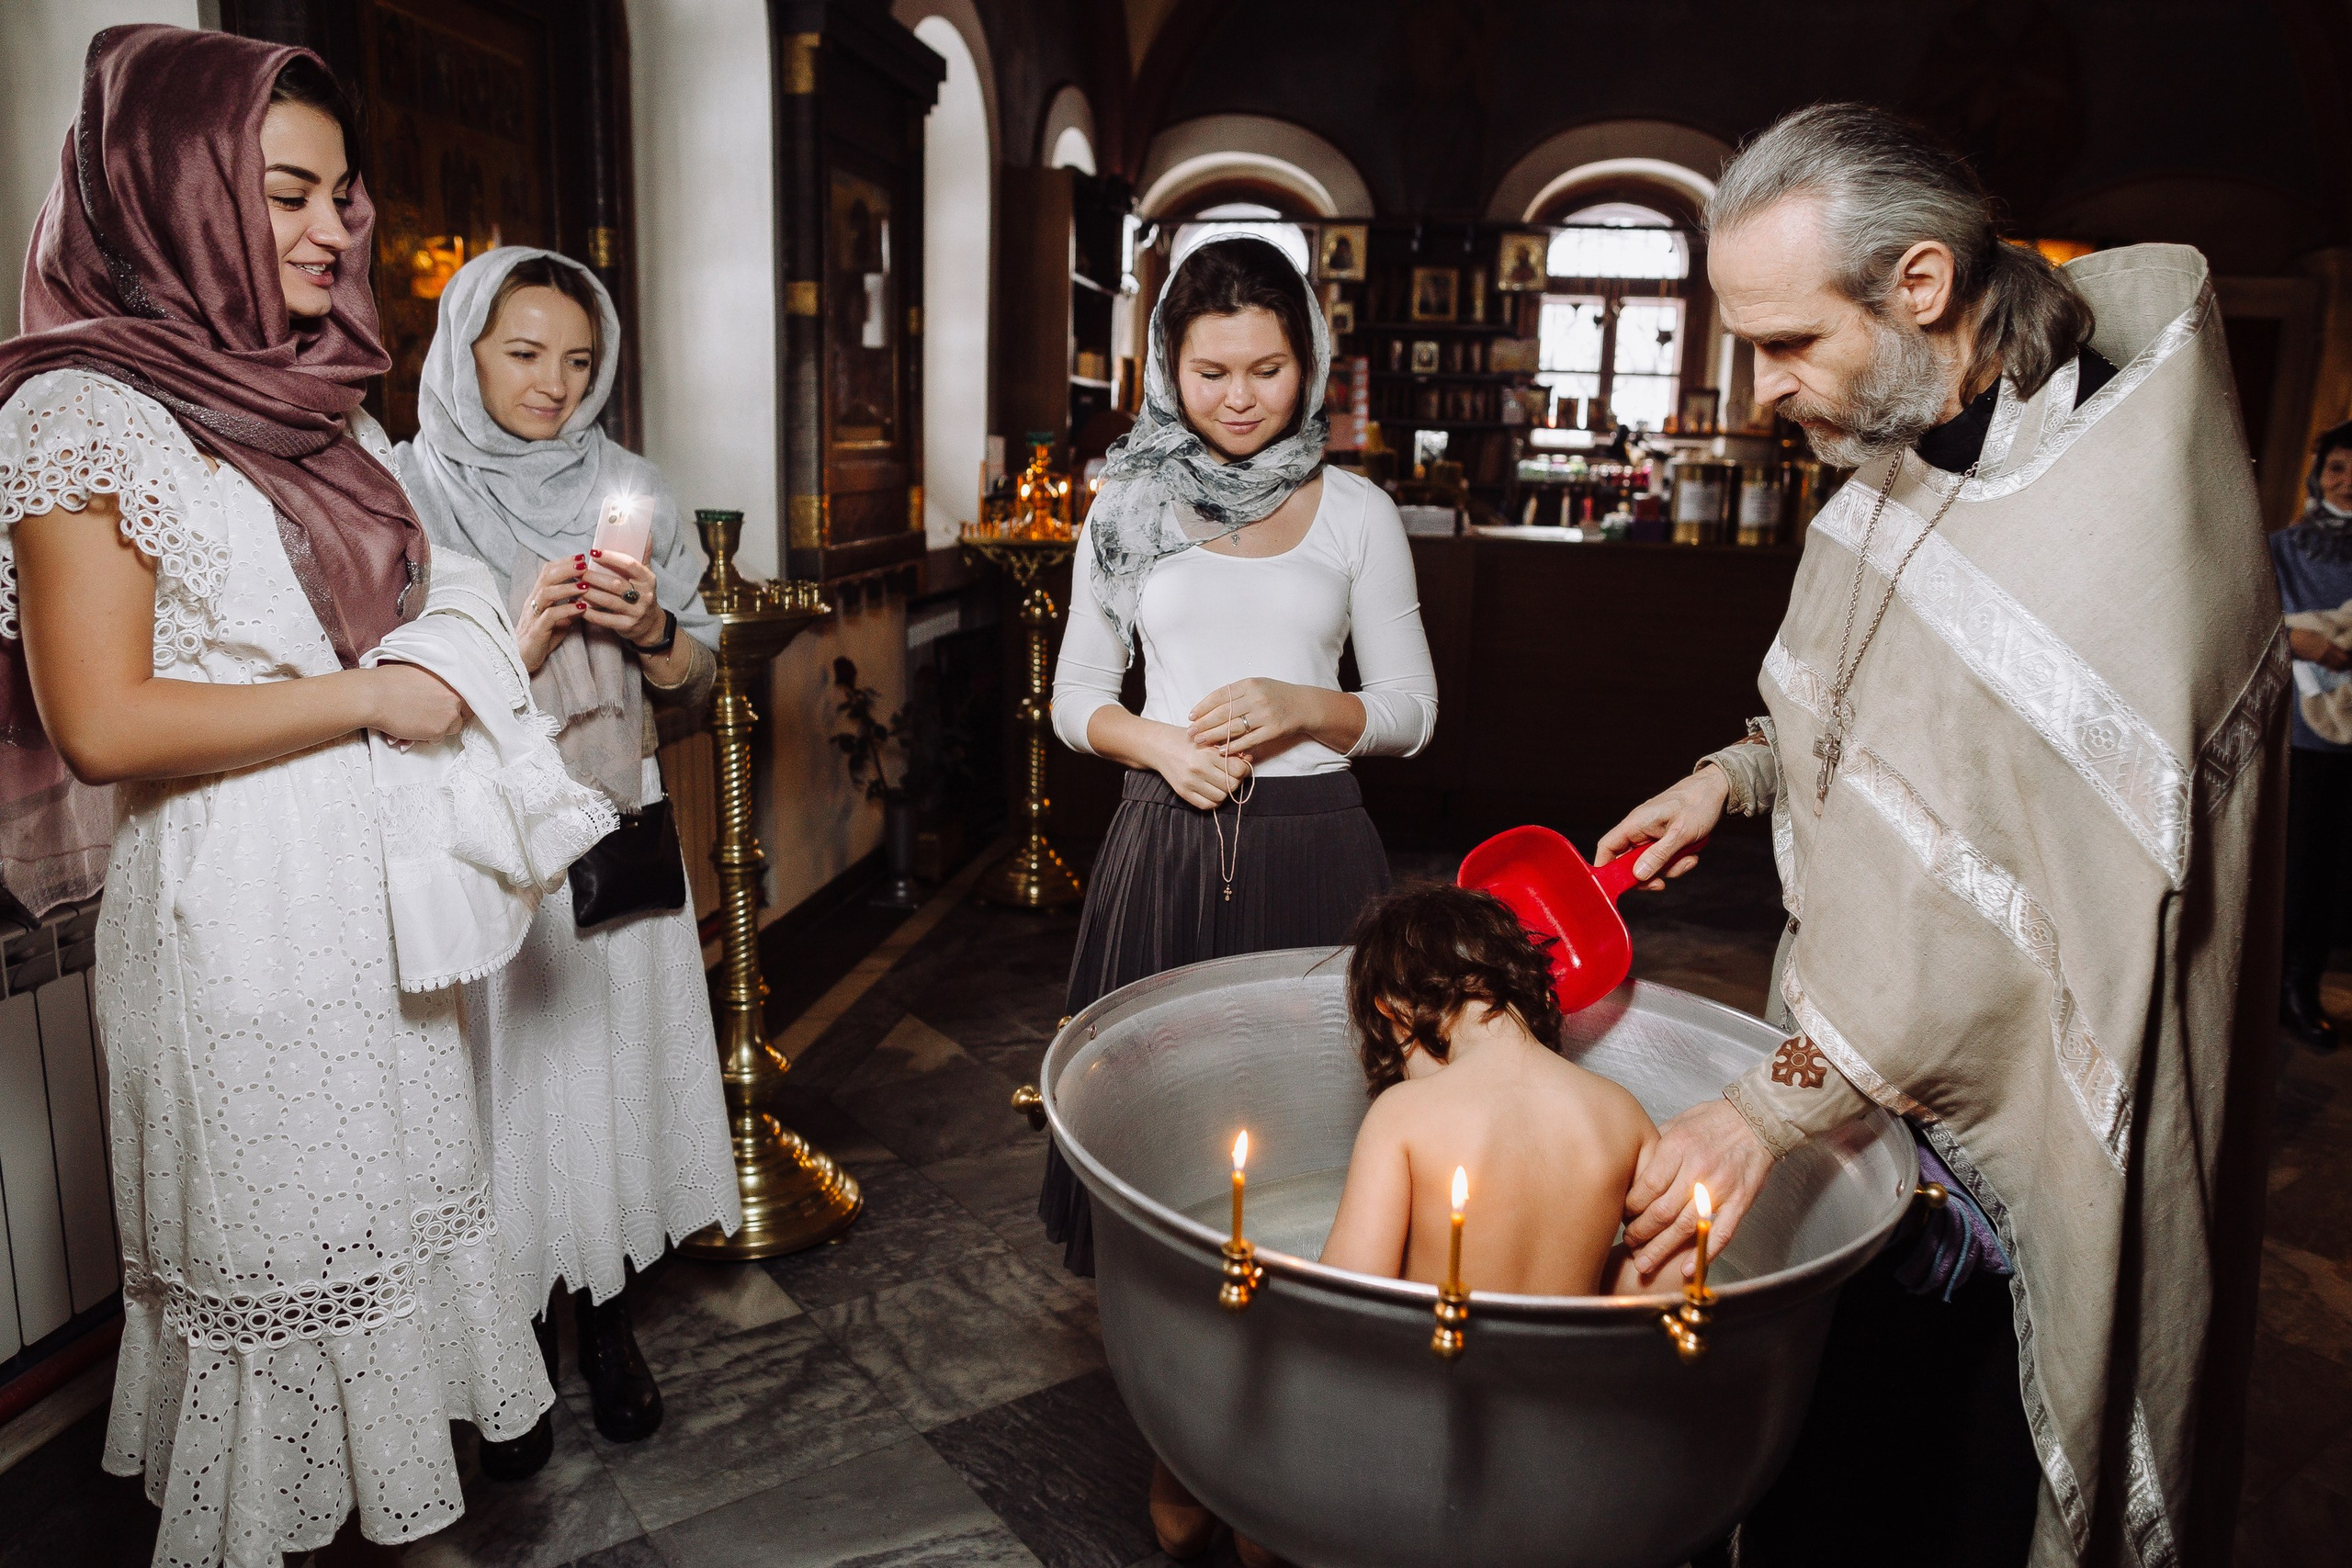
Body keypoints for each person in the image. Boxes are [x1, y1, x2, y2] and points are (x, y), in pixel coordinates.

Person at [1596, 105, 2281, 1568]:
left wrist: (1768, 1109)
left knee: (1936, 1493)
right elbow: (1886, 723)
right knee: (1819, 1461)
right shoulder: (1905, 441)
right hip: (1861, 1066)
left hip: (2008, 1140)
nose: (1766, 389)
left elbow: (2041, 898)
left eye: (1789, 343)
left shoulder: (2115, 514)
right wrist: (1734, 777)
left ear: (1920, 286)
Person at [0, 28, 557, 1563]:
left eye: (343, 197)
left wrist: (463, 646)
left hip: (368, 895)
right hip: (235, 905)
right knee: (280, 1259)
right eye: (289, 196)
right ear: (170, 198)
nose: (336, 231)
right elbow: (101, 719)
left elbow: (378, 613)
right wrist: (377, 695)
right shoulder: (84, 416)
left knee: (389, 1241)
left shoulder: (317, 404)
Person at [1043, 232, 1438, 1563]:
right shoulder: (1125, 505)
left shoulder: (1357, 509)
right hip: (1166, 845)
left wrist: (1301, 706)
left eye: (1268, 368)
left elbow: (1413, 708)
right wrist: (1160, 745)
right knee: (1168, 1160)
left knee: (1313, 1151)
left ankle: (1274, 1448)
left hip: (1321, 853)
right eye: (1211, 370)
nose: (1239, 396)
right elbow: (1072, 696)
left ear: (1307, 361)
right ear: (1168, 362)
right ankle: (1180, 1436)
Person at [392, 247, 740, 1474]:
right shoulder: (402, 488)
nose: (554, 383)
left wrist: (654, 631)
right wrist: (513, 634)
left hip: (611, 810)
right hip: (482, 827)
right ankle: (509, 1346)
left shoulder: (630, 484)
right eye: (525, 352)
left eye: (580, 360)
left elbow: (697, 682)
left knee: (608, 1066)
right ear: (466, 347)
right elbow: (381, 683)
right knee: (505, 1085)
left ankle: (607, 1322)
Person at [1322, 885, 1668, 1296]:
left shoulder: (1402, 1113)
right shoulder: (1620, 1111)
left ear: (1393, 1008)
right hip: (1570, 1360)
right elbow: (1672, 1266)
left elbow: (1343, 1297)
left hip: (1437, 1354)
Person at [2269, 420, 2352, 1049]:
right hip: (2297, 728)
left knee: (2333, 869)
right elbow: (2253, 620)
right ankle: (2277, 988)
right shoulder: (2281, 549)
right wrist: (2309, 638)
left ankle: (2305, 982)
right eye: (2337, 469)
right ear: (2317, 473)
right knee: (2291, 864)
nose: (2348, 484)